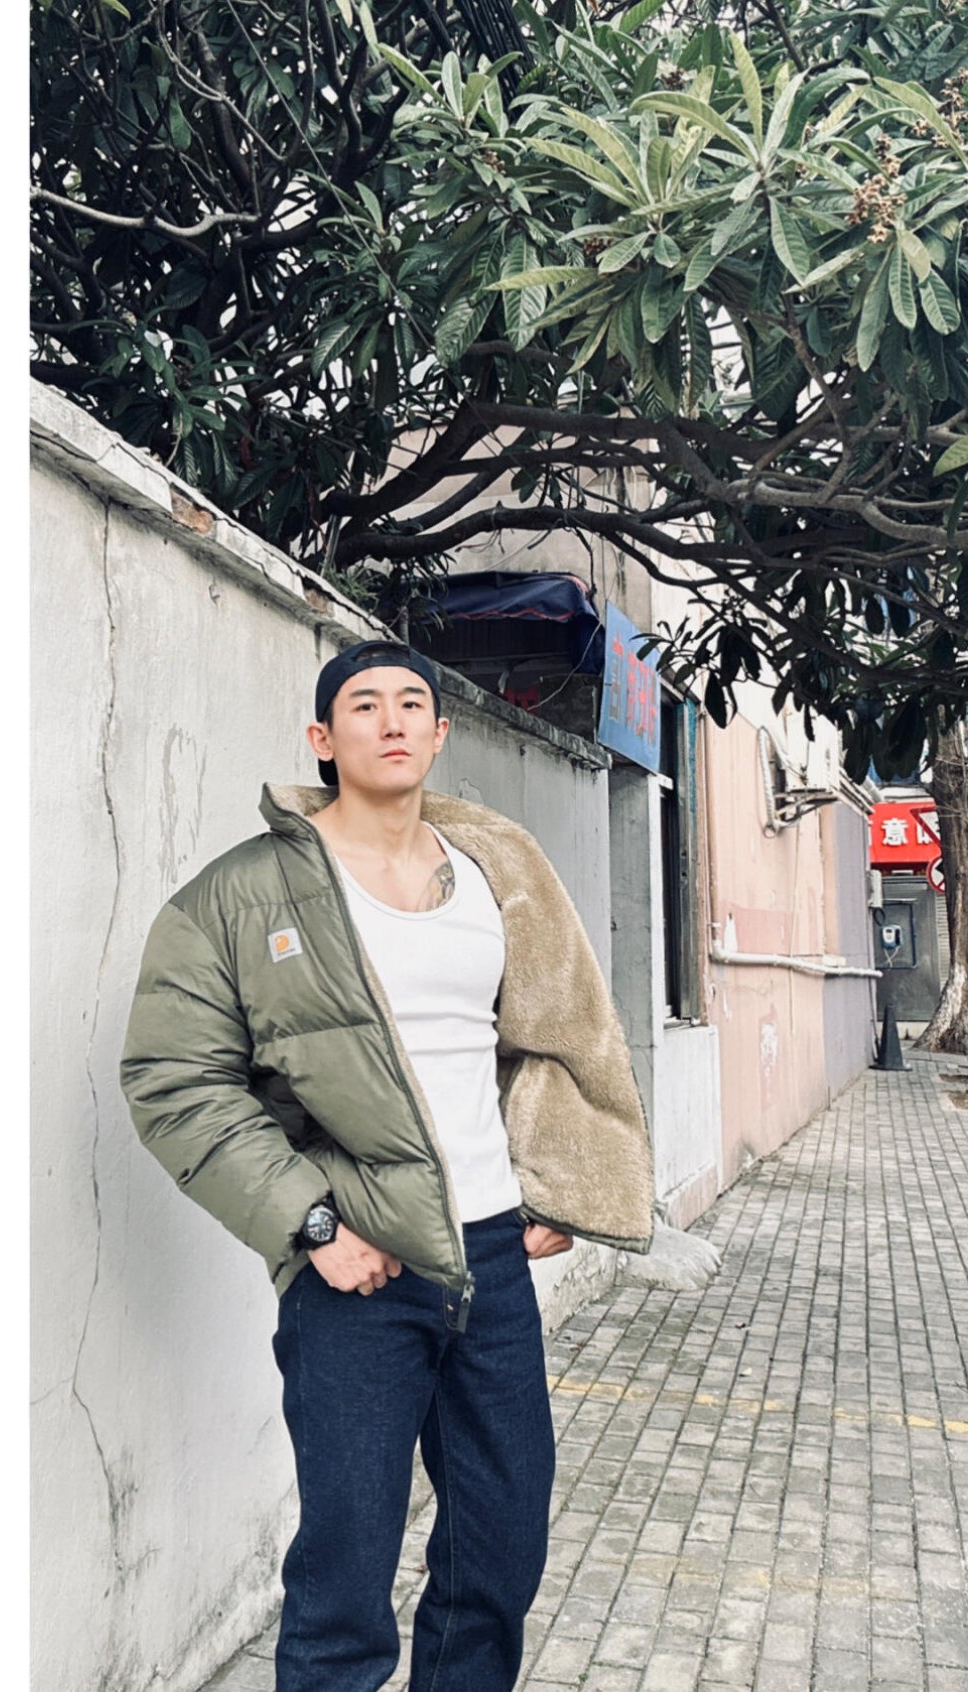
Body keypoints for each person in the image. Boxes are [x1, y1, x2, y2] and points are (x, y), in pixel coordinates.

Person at [120, 638, 654, 1692]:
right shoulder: (244, 892)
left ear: (441, 734)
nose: (393, 719)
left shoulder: (496, 874)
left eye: (413, 703)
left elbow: (547, 1037)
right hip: (358, 1266)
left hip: (492, 1261)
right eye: (364, 704)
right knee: (346, 1577)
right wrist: (313, 1225)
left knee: (501, 1550)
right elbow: (174, 1078)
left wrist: (556, 1180)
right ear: (322, 739)